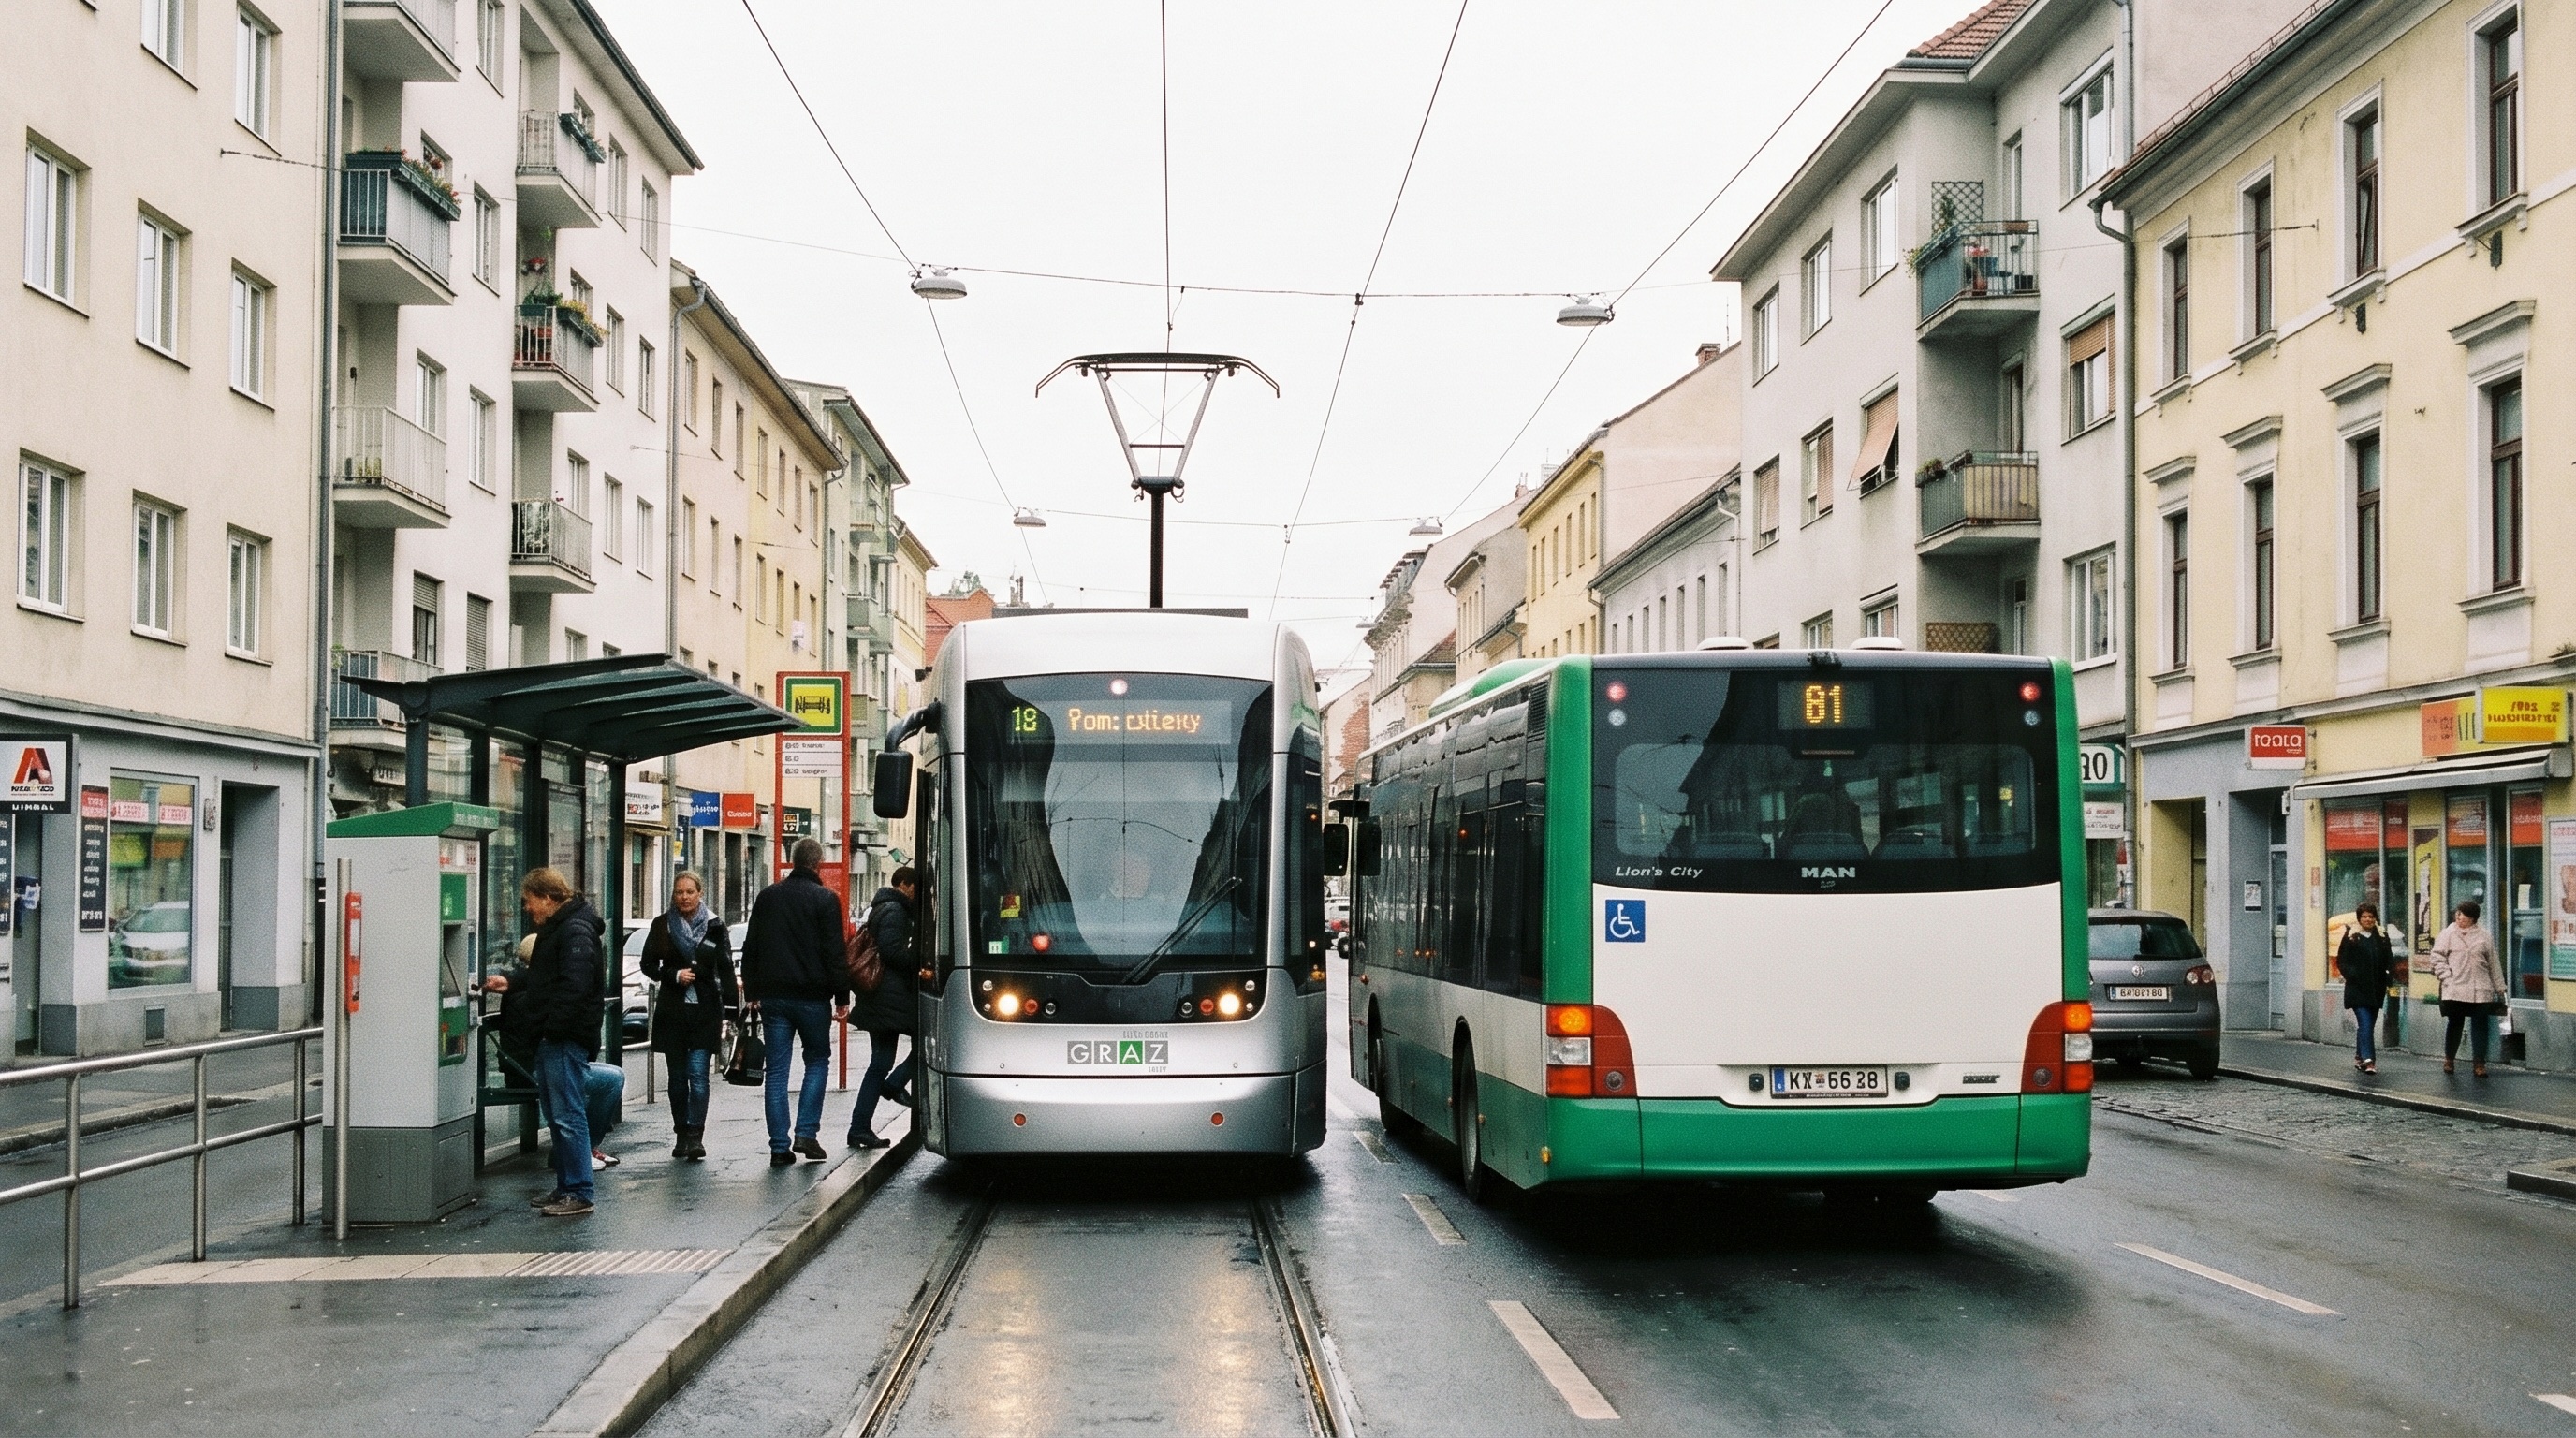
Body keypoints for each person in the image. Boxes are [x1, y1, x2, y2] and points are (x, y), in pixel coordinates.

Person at [482, 868, 604, 1216]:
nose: (527, 908)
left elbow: (573, 987)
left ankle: (578, 1191)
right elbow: (546, 977)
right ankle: (567, 1187)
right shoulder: (562, 928)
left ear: (548, 898)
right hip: (556, 1035)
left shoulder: (574, 930)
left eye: (529, 900)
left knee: (567, 1115)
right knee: (557, 1115)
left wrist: (553, 1028)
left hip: (564, 1037)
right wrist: (512, 982)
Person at [739, 837, 850, 1164]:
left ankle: (778, 1147)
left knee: (776, 1071)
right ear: (818, 864)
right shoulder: (825, 899)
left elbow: (751, 947)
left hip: (774, 997)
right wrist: (841, 996)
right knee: (817, 1060)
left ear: (792, 860)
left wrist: (753, 992)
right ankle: (806, 1133)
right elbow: (834, 953)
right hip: (813, 997)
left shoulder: (768, 897)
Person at [640, 871, 736, 1161]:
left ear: (700, 893)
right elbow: (647, 964)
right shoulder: (662, 925)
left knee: (698, 1075)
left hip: (705, 1012)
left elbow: (726, 968)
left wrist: (732, 1011)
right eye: (679, 892)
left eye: (690, 892)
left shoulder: (715, 926)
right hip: (673, 1012)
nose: (684, 897)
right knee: (678, 1079)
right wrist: (672, 974)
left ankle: (696, 1136)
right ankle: (681, 1133)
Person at [845, 866, 921, 1150]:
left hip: (879, 998)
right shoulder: (895, 910)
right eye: (915, 887)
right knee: (925, 1046)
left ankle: (859, 1128)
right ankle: (894, 1085)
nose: (916, 893)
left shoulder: (882, 907)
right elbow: (891, 951)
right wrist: (918, 961)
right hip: (889, 999)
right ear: (904, 884)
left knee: (880, 1063)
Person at [2428, 899, 2508, 1078]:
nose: (2458, 917)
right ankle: (2449, 1059)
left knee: (2480, 1025)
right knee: (2455, 1024)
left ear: (2472, 918)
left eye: (2462, 914)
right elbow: (2436, 957)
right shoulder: (2448, 934)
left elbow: (2493, 963)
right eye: (2457, 913)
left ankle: (2479, 1064)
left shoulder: (2484, 936)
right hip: (2455, 987)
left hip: (2480, 988)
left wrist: (2500, 987)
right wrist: (2445, 976)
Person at [2335, 902, 2395, 1074]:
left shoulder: (2382, 936)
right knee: (2366, 1023)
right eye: (2364, 917)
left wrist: (2389, 974)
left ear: (2375, 918)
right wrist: (2352, 974)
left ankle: (2359, 1056)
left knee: (2366, 1026)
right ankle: (2369, 1061)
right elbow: (2342, 960)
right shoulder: (2351, 936)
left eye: (2371, 916)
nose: (2368, 919)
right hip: (2357, 989)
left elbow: (2389, 958)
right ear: (2359, 919)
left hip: (2376, 989)